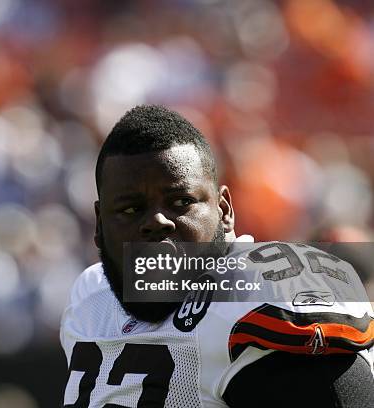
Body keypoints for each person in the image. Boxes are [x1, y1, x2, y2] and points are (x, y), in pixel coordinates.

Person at [60, 105, 374, 407]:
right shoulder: (90, 298)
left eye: (181, 201)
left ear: (224, 211)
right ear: (100, 225)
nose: (156, 222)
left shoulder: (253, 299)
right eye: (130, 209)